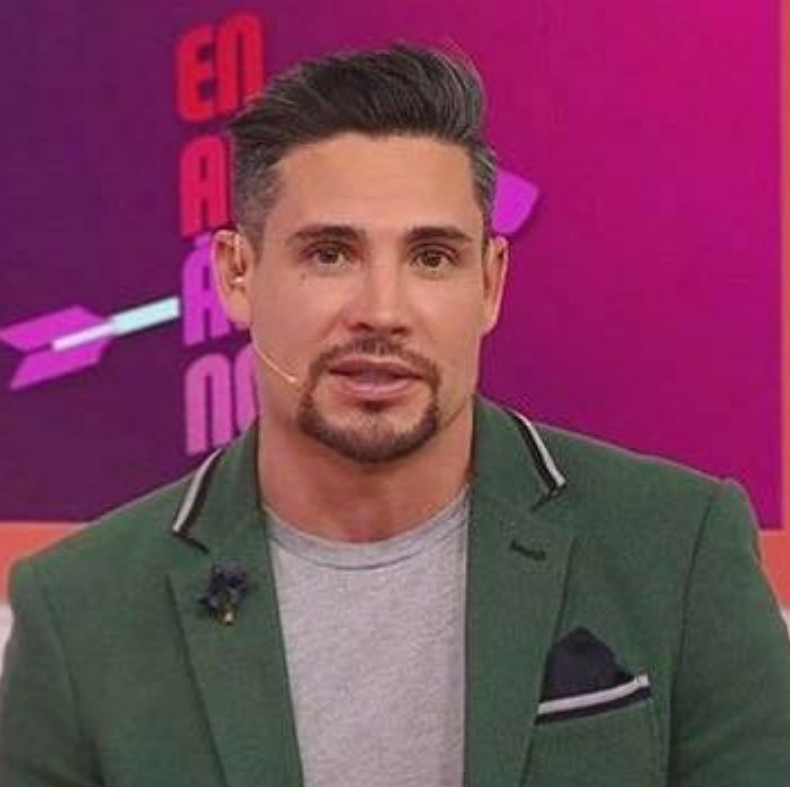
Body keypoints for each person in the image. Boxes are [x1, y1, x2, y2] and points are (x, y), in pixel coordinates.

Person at [1, 44, 788, 787]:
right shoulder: (80, 613)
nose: (382, 310)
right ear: (236, 275)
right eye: (330, 253)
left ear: (490, 282)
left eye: (432, 257)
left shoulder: (680, 551)